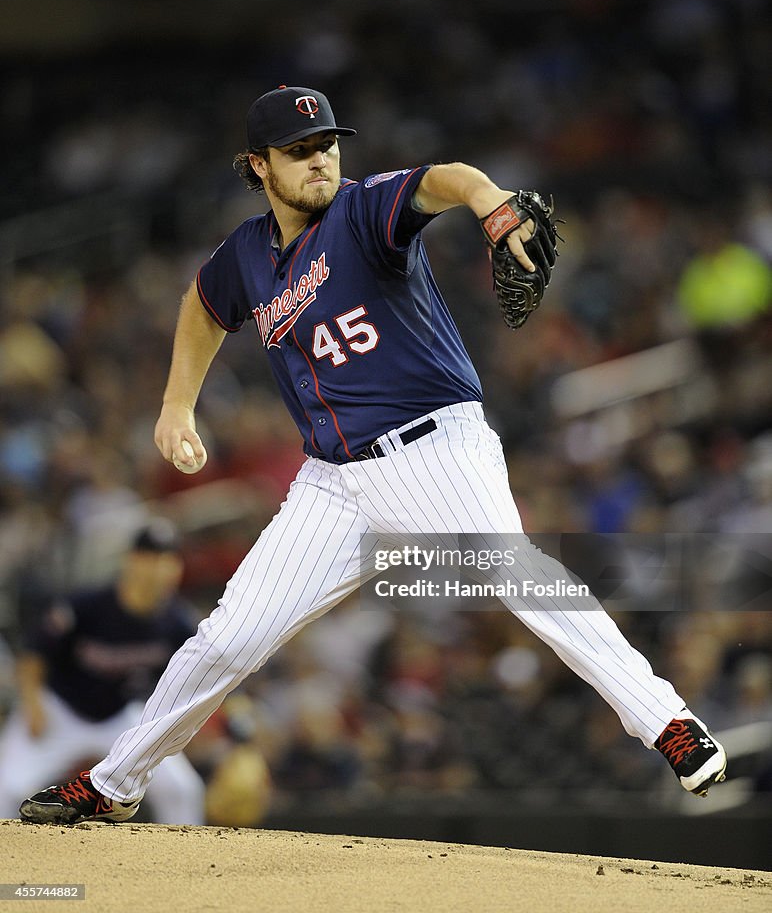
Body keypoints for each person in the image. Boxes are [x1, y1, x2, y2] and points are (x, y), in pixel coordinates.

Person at [20, 85, 726, 825]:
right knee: (229, 637)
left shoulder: (362, 211)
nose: (319, 159)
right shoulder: (247, 257)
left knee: (520, 574)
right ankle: (114, 783)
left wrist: (487, 199)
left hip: (432, 449)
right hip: (332, 483)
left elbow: (436, 180)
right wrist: (176, 404)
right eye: (298, 151)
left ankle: (668, 722)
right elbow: (203, 305)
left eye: (326, 143)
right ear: (258, 166)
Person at [5, 520, 205, 824]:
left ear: (176, 568)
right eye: (148, 556)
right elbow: (34, 655)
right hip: (59, 711)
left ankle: (190, 868)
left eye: (166, 559)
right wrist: (32, 703)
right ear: (130, 561)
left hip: (121, 718)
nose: (156, 567)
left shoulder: (178, 624)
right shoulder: (87, 605)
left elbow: (202, 681)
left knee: (183, 790)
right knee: (8, 788)